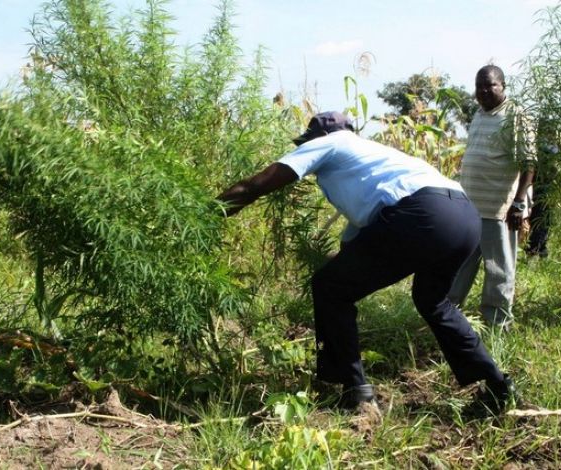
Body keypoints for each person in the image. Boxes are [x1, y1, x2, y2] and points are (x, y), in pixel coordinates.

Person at [218, 111, 517, 411]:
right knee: (433, 302)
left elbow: (255, 186)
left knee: (330, 287)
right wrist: (338, 264)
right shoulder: (373, 159)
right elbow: (358, 239)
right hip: (464, 215)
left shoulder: (331, 142)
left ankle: (355, 391)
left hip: (424, 213)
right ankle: (497, 387)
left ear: (316, 138)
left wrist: (210, 213)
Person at [448, 65, 536, 330]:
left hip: (499, 209)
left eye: (490, 85)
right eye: (479, 87)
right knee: (460, 264)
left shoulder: (516, 116)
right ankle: (449, 315)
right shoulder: (478, 114)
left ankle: (497, 324)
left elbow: (529, 162)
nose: (484, 91)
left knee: (498, 269)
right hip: (470, 207)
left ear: (503, 86)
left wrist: (519, 203)